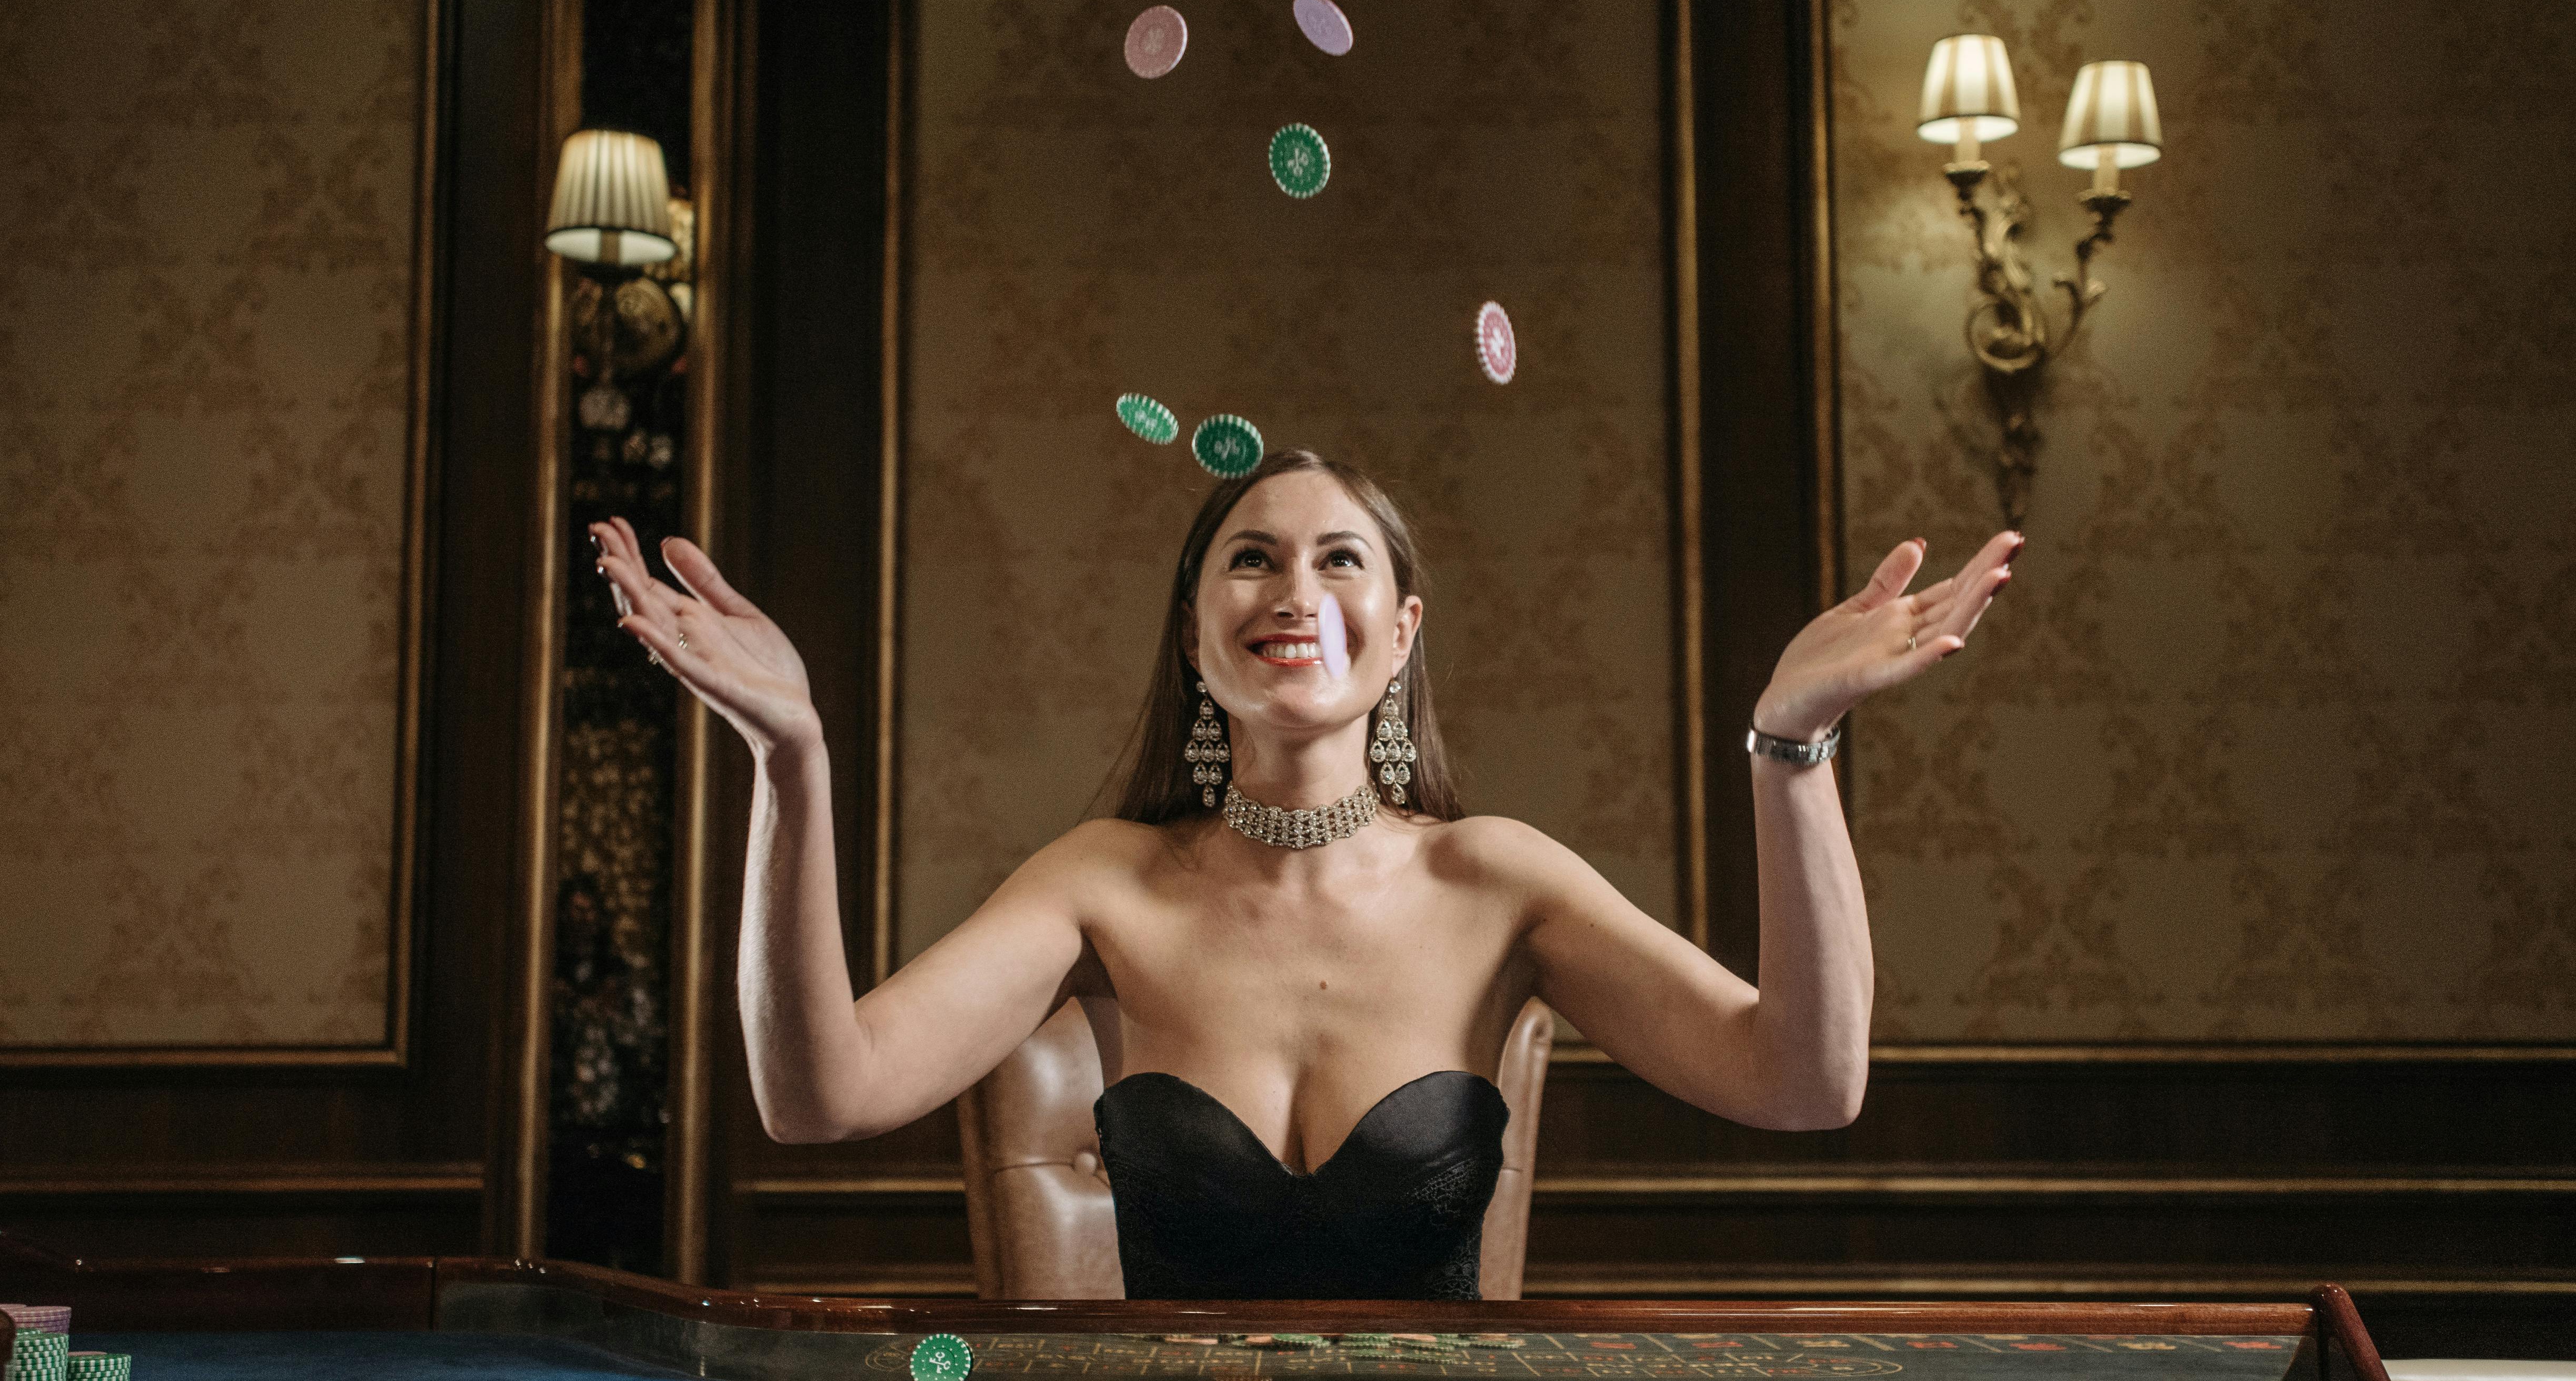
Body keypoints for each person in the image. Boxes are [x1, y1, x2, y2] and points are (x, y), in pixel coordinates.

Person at [591, 448, 2015, 1298]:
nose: (1291, 589)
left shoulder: (1496, 878)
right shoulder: (1104, 885)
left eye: (1339, 560)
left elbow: (1805, 1079)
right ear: (1198, 635)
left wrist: (1793, 746)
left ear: (1399, 635)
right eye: (1250, 560)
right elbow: (818, 1092)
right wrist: (792, 758)